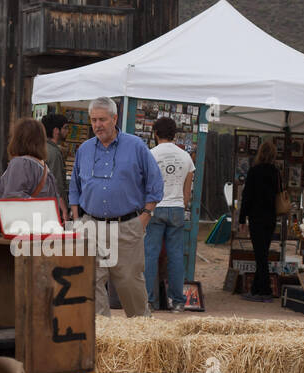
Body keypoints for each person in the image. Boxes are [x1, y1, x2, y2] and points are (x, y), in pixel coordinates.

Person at [69, 96, 163, 316]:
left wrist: (145, 217)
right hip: (90, 225)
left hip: (127, 226)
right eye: (93, 120)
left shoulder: (136, 146)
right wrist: (76, 221)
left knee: (131, 286)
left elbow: (155, 184)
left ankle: (143, 339)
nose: (97, 125)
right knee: (90, 284)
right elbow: (74, 188)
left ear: (115, 118)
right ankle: (101, 338)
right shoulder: (84, 149)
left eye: (102, 119)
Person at [143, 116, 195, 310]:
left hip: (155, 207)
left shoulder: (150, 155)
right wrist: (181, 204)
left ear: (156, 133)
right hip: (177, 207)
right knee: (176, 256)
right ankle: (178, 302)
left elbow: (145, 186)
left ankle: (149, 300)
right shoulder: (185, 157)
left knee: (150, 254)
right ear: (175, 134)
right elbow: (187, 192)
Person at [0, 116, 64, 217]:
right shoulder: (45, 169)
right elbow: (54, 205)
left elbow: (12, 200)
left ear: (17, 139)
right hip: (38, 227)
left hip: (19, 228)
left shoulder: (20, 164)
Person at [239, 139, 281, 301]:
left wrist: (242, 218)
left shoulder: (254, 171)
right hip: (270, 217)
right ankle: (258, 289)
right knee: (262, 254)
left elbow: (247, 196)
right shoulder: (275, 172)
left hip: (256, 217)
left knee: (260, 255)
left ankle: (264, 291)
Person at [41, 112, 69, 204]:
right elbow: (57, 183)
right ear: (56, 130)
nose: (67, 131)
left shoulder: (40, 147)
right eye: (65, 128)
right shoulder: (54, 153)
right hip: (52, 204)